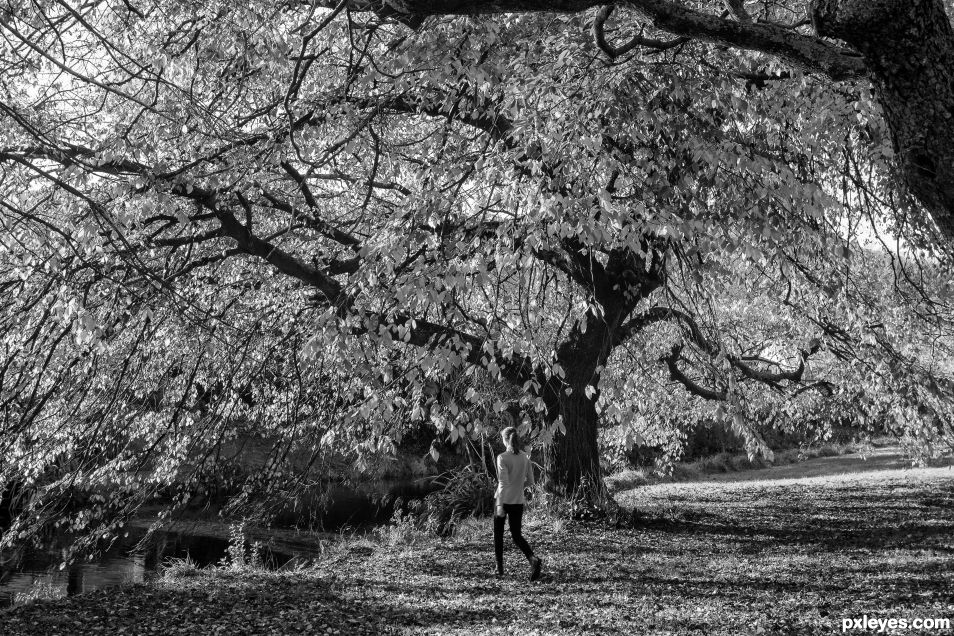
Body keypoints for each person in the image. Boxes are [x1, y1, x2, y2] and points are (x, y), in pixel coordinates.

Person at [493, 426, 543, 581]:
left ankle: (499, 568)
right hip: (517, 500)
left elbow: (503, 483)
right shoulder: (524, 457)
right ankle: (533, 559)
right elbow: (531, 481)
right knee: (516, 535)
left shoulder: (502, 457)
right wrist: (518, 486)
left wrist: (500, 505)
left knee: (498, 535)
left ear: (505, 440)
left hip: (503, 500)